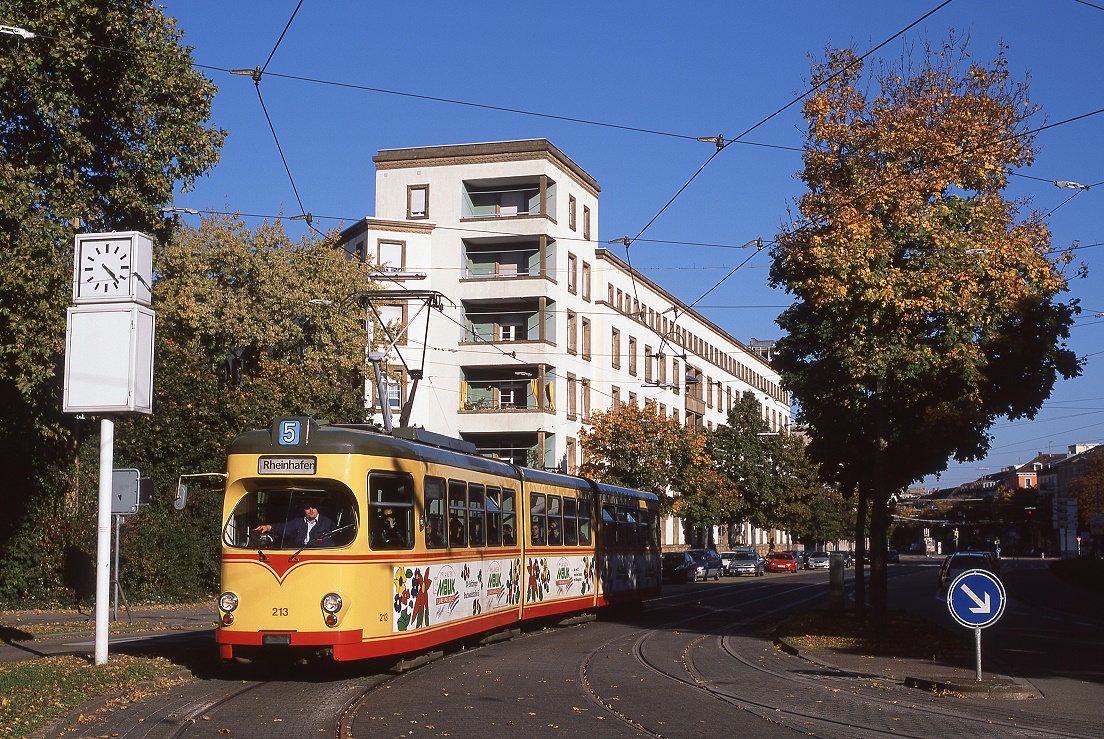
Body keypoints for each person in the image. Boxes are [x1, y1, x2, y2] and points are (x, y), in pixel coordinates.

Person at [254, 498, 334, 548]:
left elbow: (336, 540)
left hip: (319, 557)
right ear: (303, 510)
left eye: (313, 507)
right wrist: (268, 527)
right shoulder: (298, 521)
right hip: (298, 554)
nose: (311, 510)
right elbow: (285, 529)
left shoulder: (328, 522)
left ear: (318, 508)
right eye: (307, 508)